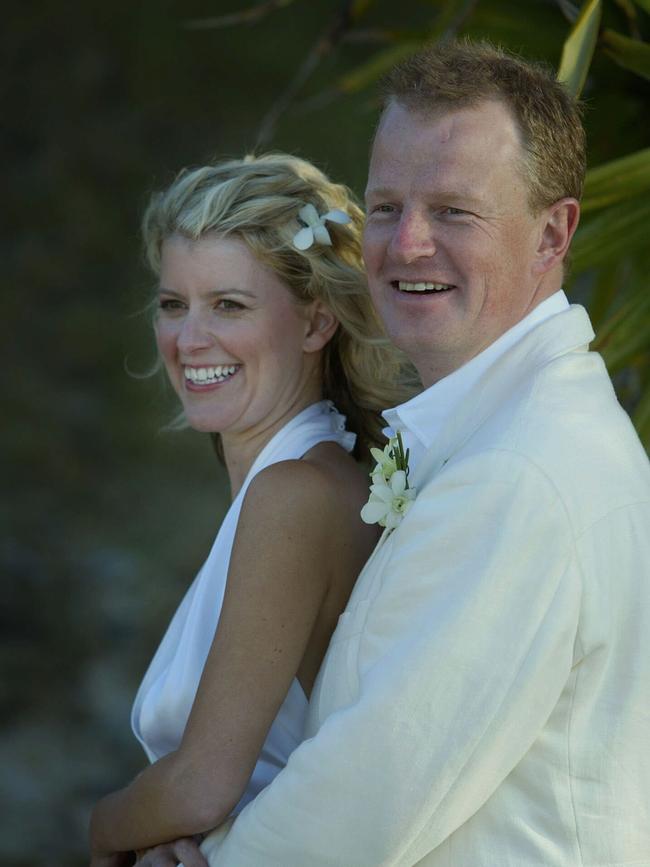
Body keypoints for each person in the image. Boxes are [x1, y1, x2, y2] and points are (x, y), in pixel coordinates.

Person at [196, 40, 650, 866]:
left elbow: (359, 805)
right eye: (384, 206)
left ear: (553, 234)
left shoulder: (522, 472)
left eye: (453, 211)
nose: (405, 245)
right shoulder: (515, 428)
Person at [88, 152, 413, 867]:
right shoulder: (300, 483)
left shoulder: (295, 494)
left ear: (315, 321)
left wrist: (104, 831)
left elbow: (205, 785)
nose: (189, 340)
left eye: (228, 305)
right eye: (174, 303)